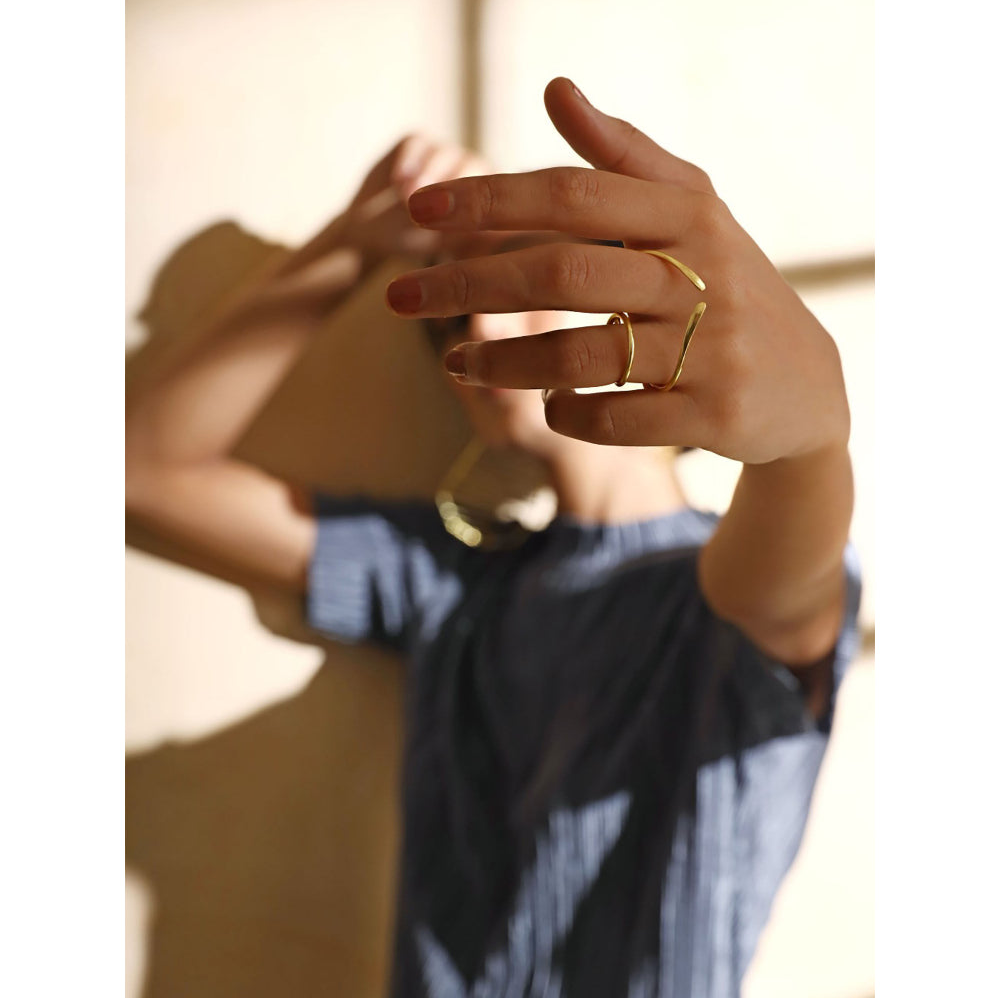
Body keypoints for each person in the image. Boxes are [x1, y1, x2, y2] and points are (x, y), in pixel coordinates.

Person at [126, 77, 861, 997]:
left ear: (621, 306)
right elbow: (143, 475)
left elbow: (788, 569)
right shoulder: (450, 588)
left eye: (524, 277)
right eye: (450, 315)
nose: (479, 325)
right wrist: (354, 243)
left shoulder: (713, 595)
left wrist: (810, 442)